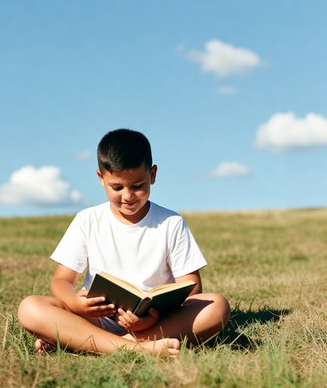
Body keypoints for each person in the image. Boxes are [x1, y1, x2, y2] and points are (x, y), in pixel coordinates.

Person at [18, 128, 230, 357]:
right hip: (97, 319)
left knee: (216, 306)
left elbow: (191, 285)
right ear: (101, 178)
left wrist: (151, 316)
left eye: (138, 186)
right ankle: (135, 349)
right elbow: (61, 281)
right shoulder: (87, 220)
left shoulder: (171, 223)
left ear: (153, 175)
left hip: (154, 322)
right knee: (30, 308)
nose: (128, 196)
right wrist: (75, 303)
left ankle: (80, 342)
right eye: (117, 187)